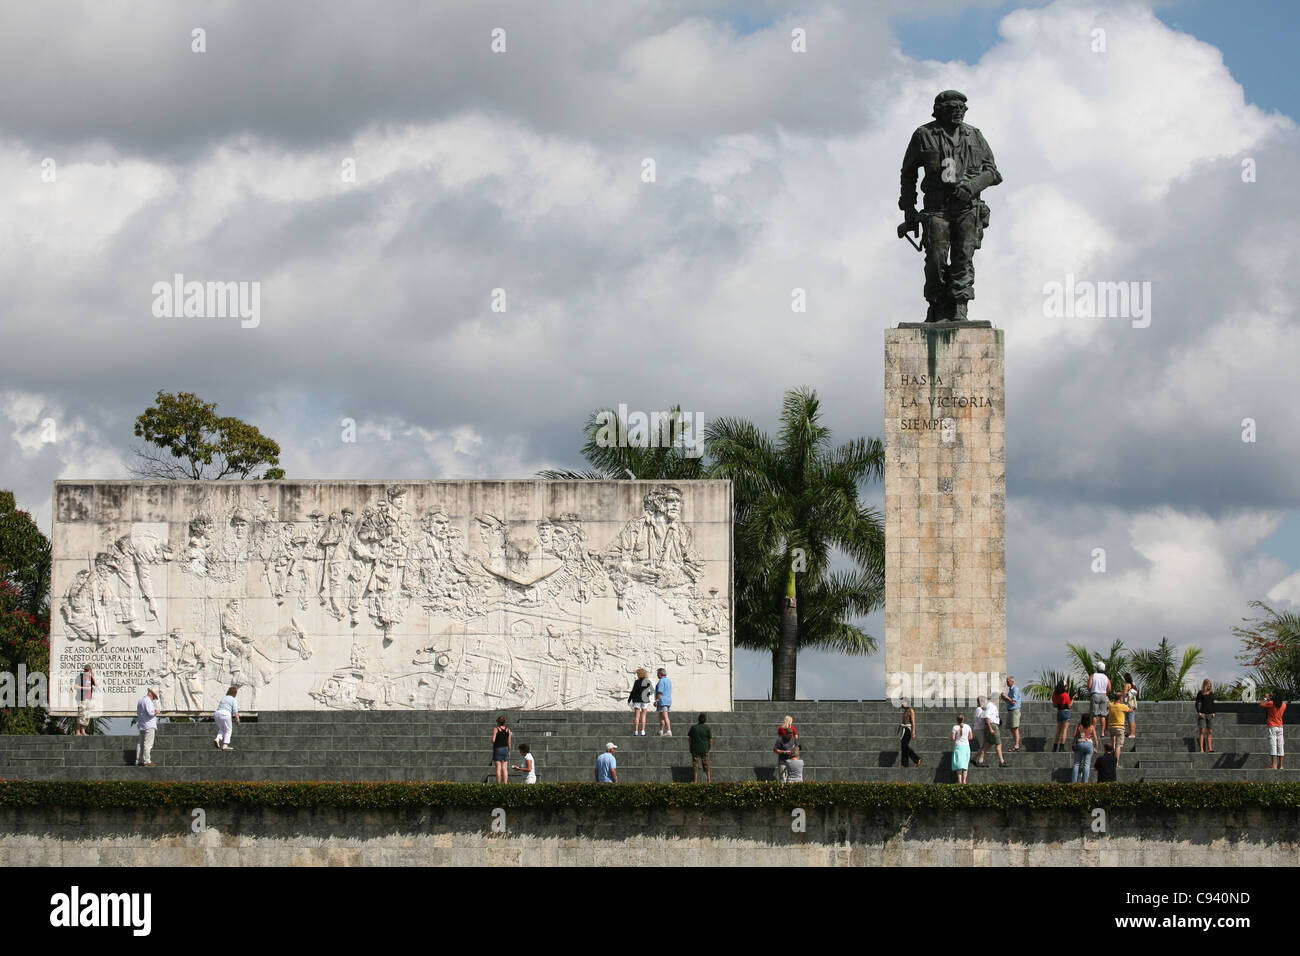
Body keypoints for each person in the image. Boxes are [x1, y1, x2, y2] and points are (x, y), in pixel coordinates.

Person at [897, 89, 1002, 323]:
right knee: (935, 257)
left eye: (961, 108)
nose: (958, 111)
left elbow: (992, 172)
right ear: (938, 111)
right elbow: (908, 174)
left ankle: (959, 306)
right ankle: (936, 305)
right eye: (952, 108)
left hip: (967, 207)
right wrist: (909, 209)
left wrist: (972, 186)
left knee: (963, 256)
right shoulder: (923, 135)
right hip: (936, 208)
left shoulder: (974, 135)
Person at [976, 695, 1006, 767]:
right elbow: (986, 717)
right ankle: (1002, 762)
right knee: (998, 744)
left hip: (993, 725)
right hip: (992, 726)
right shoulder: (990, 705)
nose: (999, 700)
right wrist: (990, 728)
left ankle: (980, 760)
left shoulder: (992, 706)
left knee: (988, 744)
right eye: (998, 699)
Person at [1261, 691, 1287, 770]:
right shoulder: (1284, 705)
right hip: (1280, 726)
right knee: (1280, 745)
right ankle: (1281, 765)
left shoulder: (1271, 703)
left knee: (1273, 745)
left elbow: (1261, 705)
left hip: (1272, 726)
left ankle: (1273, 765)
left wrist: (1266, 698)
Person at [135, 688, 160, 766]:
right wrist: (156, 712)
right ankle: (147, 761)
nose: (153, 699)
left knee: (140, 743)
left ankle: (138, 760)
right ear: (152, 695)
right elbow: (150, 713)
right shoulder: (148, 701)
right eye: (154, 697)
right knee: (148, 743)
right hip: (149, 725)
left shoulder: (141, 700)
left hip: (142, 724)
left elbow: (138, 712)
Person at [1106, 693, 1132, 766]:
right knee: (1118, 746)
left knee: (1113, 744)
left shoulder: (1111, 705)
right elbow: (1130, 710)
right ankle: (1116, 762)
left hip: (1111, 727)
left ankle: (1110, 759)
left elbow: (1108, 706)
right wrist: (1129, 703)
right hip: (1120, 727)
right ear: (1120, 699)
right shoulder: (1122, 706)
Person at [999, 676, 1023, 751]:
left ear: (1012, 681)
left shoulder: (1015, 689)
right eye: (1006, 681)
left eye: (1008, 681)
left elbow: (1014, 701)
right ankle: (1015, 745)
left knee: (1015, 728)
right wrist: (1004, 698)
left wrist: (1006, 696)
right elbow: (1009, 701)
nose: (1006, 683)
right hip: (1010, 710)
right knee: (1012, 728)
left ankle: (1017, 745)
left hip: (1014, 711)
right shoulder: (1010, 690)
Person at [628, 667, 654, 736]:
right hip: (645, 699)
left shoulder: (636, 682)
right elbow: (652, 691)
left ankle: (636, 731)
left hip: (637, 699)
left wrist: (629, 699)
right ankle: (643, 731)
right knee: (644, 716)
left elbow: (633, 691)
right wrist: (646, 694)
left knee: (637, 716)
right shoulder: (647, 681)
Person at [213, 685, 240, 751]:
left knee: (222, 729)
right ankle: (225, 745)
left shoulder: (224, 698)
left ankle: (217, 739)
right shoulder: (233, 700)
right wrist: (237, 719)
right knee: (228, 730)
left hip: (217, 714)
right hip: (225, 714)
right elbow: (235, 711)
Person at [688, 713, 713, 783]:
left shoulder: (694, 727)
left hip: (695, 748)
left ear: (698, 719)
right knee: (706, 764)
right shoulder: (707, 728)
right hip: (704, 748)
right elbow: (710, 740)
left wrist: (690, 747)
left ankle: (695, 780)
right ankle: (709, 779)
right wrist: (709, 748)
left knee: (695, 764)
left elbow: (690, 738)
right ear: (705, 720)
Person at [1071, 714, 1096, 783]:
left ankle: (1074, 782)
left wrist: (1073, 744)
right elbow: (1096, 738)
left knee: (1076, 763)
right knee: (1087, 764)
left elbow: (1074, 735)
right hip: (1089, 743)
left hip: (1080, 743)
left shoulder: (1079, 725)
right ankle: (1085, 782)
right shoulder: (1091, 727)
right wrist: (1096, 747)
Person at [1088, 662, 1111, 736]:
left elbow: (1089, 687)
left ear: (1097, 668)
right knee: (1103, 715)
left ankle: (1093, 732)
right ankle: (1102, 732)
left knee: (1095, 715)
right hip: (1104, 695)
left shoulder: (1093, 676)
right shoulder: (1106, 677)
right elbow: (1109, 689)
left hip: (1095, 695)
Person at [75, 665, 98, 735]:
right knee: (81, 714)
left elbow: (96, 685)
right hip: (81, 698)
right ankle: (78, 731)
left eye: (88, 670)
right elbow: (76, 686)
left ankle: (83, 730)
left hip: (88, 698)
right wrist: (84, 688)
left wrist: (93, 676)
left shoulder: (90, 678)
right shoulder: (80, 677)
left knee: (86, 715)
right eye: (86, 670)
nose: (87, 672)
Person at [899, 699, 922, 768]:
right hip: (904, 729)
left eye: (903, 702)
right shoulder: (905, 710)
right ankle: (904, 764)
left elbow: (913, 722)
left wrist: (914, 732)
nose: (901, 704)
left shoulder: (911, 710)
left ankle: (917, 759)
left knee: (905, 746)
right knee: (903, 746)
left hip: (907, 730)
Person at [1195, 679, 1216, 753]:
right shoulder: (1200, 693)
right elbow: (1197, 703)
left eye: (1210, 684)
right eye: (1208, 684)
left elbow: (1212, 703)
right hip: (1203, 714)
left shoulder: (1211, 693)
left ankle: (1210, 748)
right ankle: (1201, 749)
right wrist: (1199, 712)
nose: (1209, 686)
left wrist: (1214, 712)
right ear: (1205, 685)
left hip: (1210, 714)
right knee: (1202, 731)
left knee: (1210, 731)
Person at [1051, 680, 1073, 752]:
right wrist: (1073, 699)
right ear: (1063, 686)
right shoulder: (1065, 695)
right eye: (1066, 685)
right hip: (1066, 712)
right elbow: (1069, 706)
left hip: (1059, 712)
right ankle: (1061, 747)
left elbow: (1054, 705)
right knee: (1064, 730)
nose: (1067, 687)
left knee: (1058, 731)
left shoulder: (1055, 694)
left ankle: (1055, 747)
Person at [951, 714, 973, 784]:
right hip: (966, 746)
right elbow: (971, 737)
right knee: (965, 764)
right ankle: (964, 781)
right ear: (963, 719)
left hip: (958, 746)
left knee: (959, 764)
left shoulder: (955, 727)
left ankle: (959, 780)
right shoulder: (968, 726)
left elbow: (953, 738)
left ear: (957, 720)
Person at [491, 715, 512, 783]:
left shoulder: (496, 729)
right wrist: (509, 751)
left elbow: (493, 740)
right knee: (505, 768)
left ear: (498, 722)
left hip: (498, 749)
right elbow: (509, 742)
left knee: (498, 768)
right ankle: (505, 783)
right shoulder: (508, 730)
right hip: (505, 749)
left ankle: (498, 783)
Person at [655, 668, 673, 736]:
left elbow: (660, 692)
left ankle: (669, 730)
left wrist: (657, 700)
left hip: (663, 701)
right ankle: (661, 731)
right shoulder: (668, 681)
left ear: (660, 674)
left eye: (657, 674)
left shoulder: (661, 681)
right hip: (667, 700)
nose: (657, 675)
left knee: (665, 716)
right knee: (661, 717)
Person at [1122, 673, 1139, 740]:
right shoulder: (1133, 684)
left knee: (1130, 719)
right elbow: (1137, 693)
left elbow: (1125, 694)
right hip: (1133, 703)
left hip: (1129, 704)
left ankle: (1132, 734)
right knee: (1131, 719)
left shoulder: (1127, 685)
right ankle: (1132, 733)